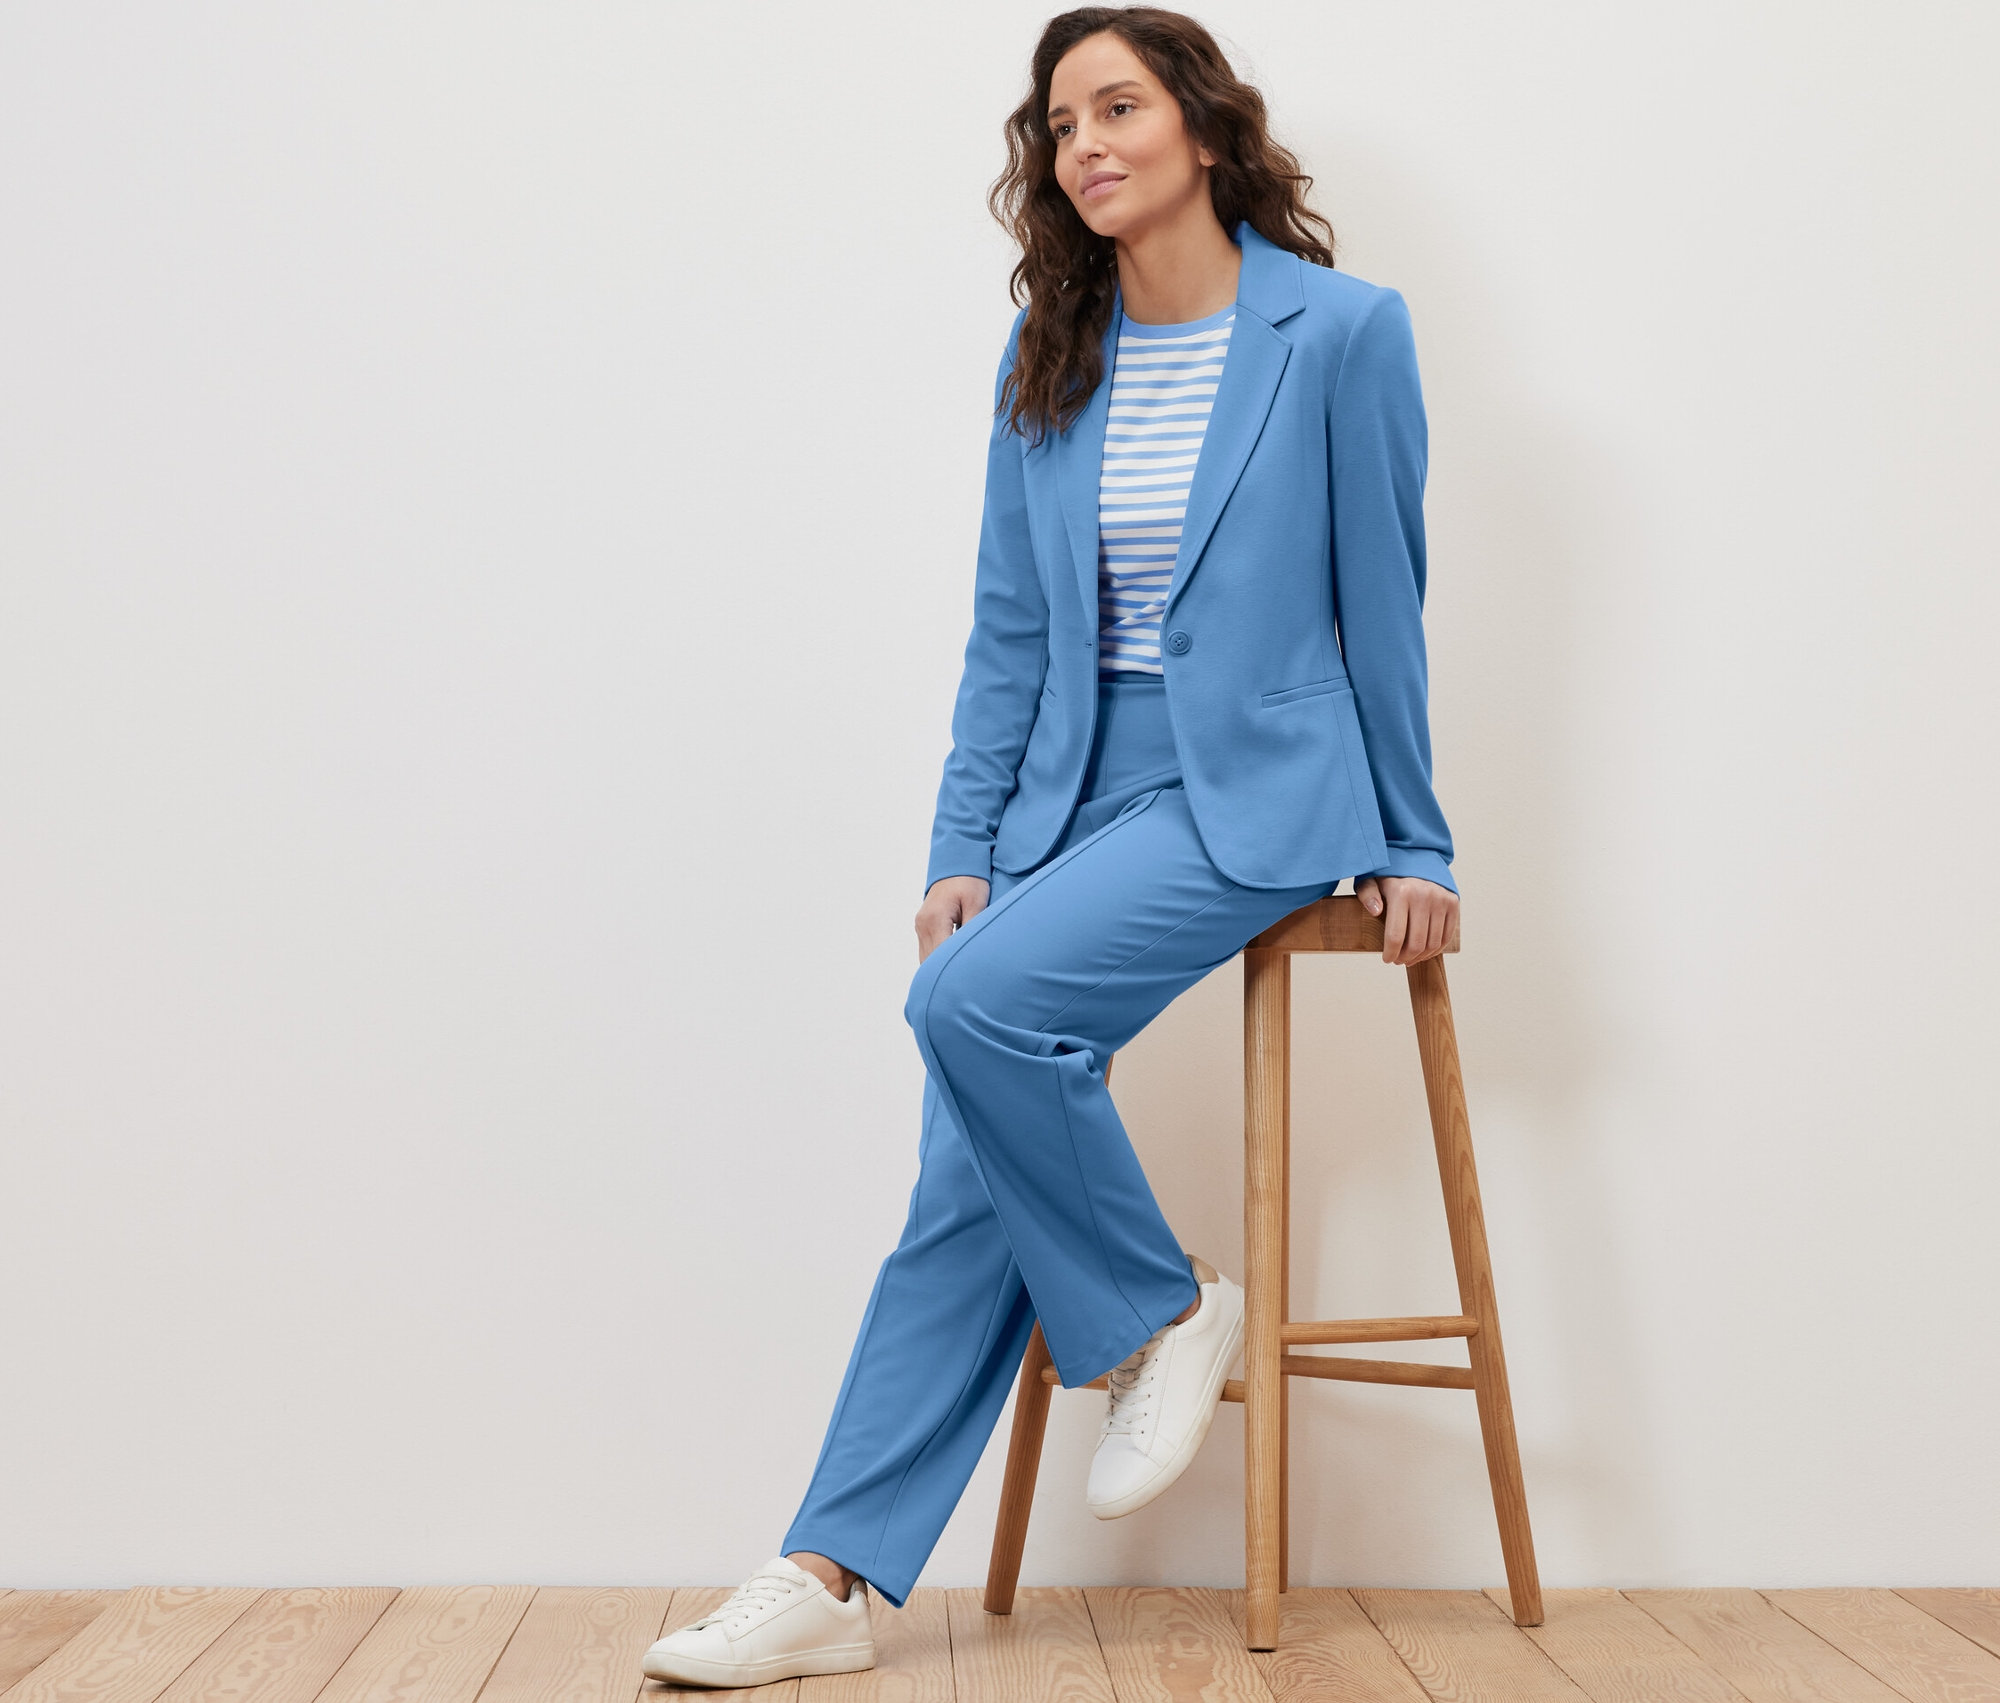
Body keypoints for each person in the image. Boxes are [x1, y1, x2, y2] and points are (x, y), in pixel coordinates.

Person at [642, 5, 1459, 1687]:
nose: (1085, 145)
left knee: (968, 1012)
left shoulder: (1339, 332)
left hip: (1249, 799)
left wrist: (1414, 838)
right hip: (1066, 799)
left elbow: (1387, 600)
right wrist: (964, 839)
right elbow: (1008, 630)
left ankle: (1162, 1309)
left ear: (1205, 131)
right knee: (963, 1183)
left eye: (1118, 108)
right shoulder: (1051, 348)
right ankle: (830, 1575)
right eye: (1060, 123)